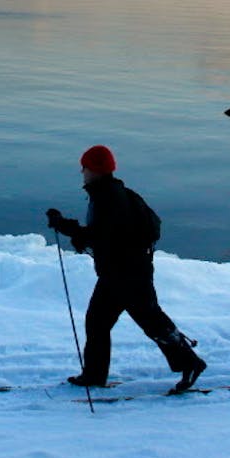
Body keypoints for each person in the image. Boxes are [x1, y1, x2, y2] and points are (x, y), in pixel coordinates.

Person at [46, 145, 207, 393]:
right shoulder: (111, 192)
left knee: (149, 322)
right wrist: (72, 230)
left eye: (85, 167)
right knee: (102, 322)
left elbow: (101, 236)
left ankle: (190, 363)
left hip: (127, 274)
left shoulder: (108, 198)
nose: (82, 171)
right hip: (120, 272)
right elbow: (104, 235)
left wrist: (64, 226)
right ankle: (94, 375)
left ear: (95, 170)